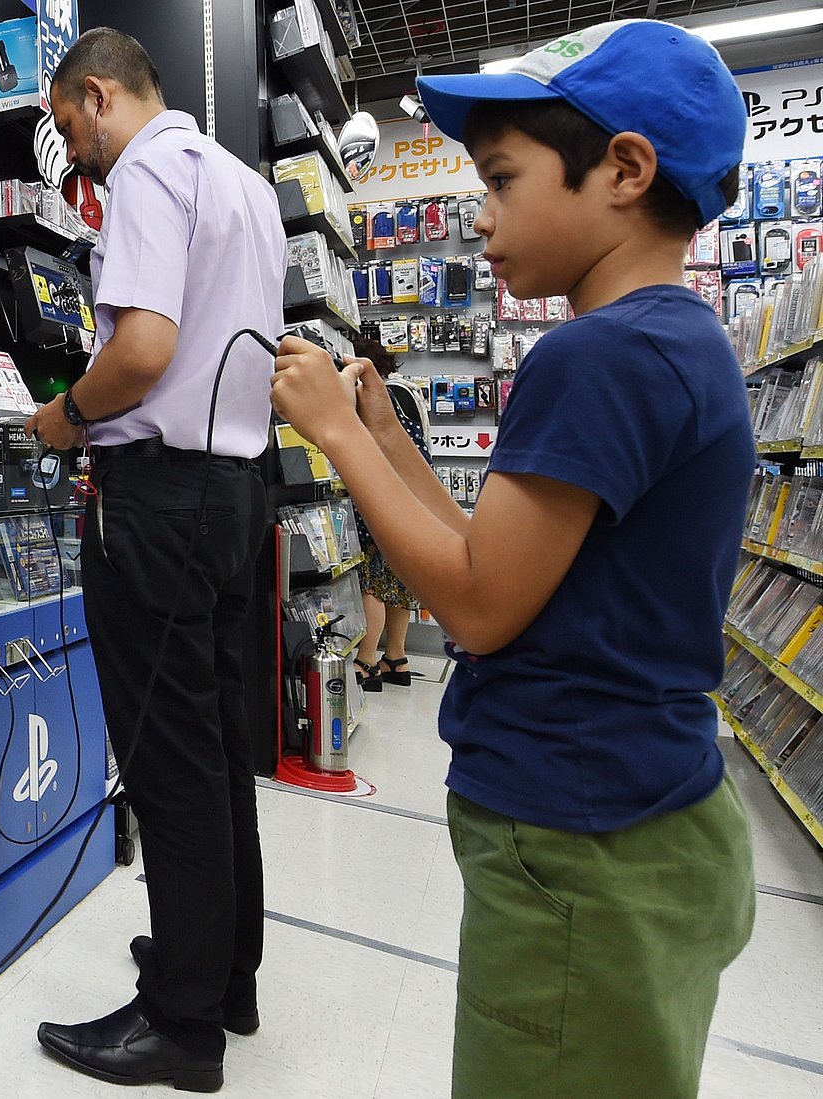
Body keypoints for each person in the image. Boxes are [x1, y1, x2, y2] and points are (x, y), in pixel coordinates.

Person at [269, 21, 756, 1099]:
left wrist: (340, 442)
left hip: (580, 846)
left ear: (624, 169)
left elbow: (481, 608)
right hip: (639, 810)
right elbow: (499, 556)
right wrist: (392, 438)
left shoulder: (602, 353)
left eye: (500, 179)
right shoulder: (674, 341)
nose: (481, 220)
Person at [24, 27, 286, 1094]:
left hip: (160, 499)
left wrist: (62, 418)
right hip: (236, 493)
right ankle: (224, 973)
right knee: (221, 747)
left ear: (96, 96)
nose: (72, 154)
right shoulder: (244, 184)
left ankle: (181, 1026)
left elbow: (140, 349)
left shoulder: (142, 176)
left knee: (170, 761)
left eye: (66, 128)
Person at [347, 336, 432, 692]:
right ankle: (396, 658)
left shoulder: (380, 395)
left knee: (371, 583)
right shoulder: (408, 390)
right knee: (397, 582)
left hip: (381, 495)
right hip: (413, 495)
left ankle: (366, 662)